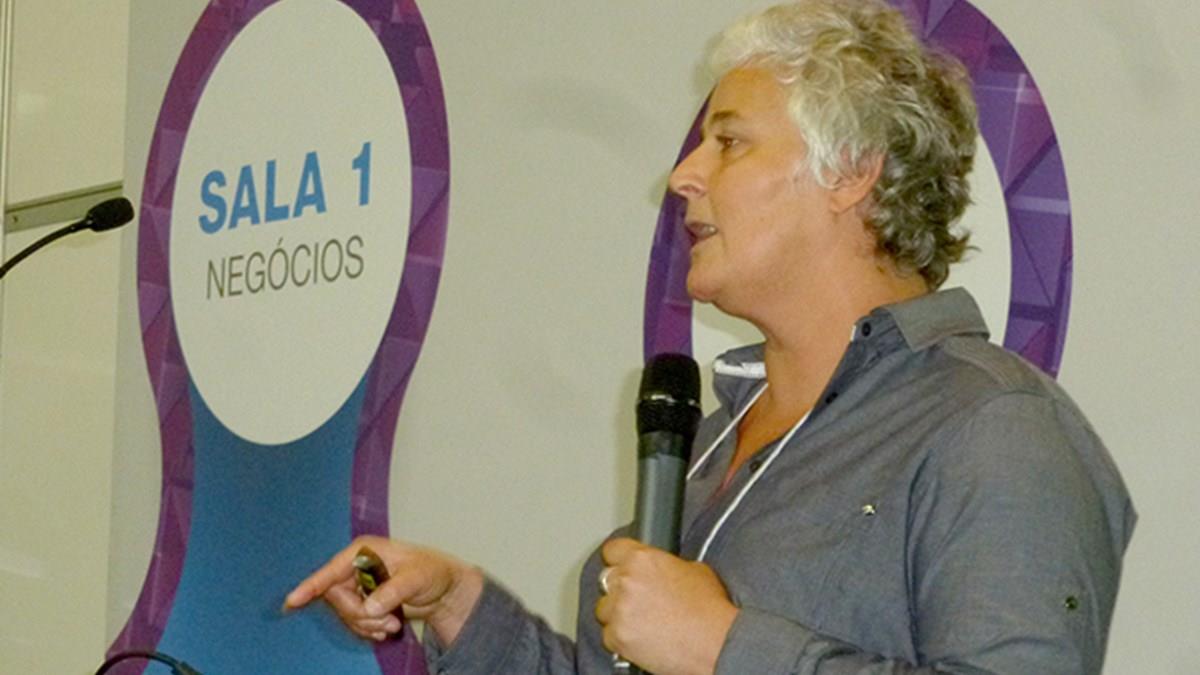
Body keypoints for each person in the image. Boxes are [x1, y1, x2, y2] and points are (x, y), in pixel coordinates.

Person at [285, 1, 1135, 672]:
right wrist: (459, 605)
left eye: (729, 142)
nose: (684, 175)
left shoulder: (995, 427)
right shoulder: (715, 437)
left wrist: (725, 646)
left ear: (851, 171)